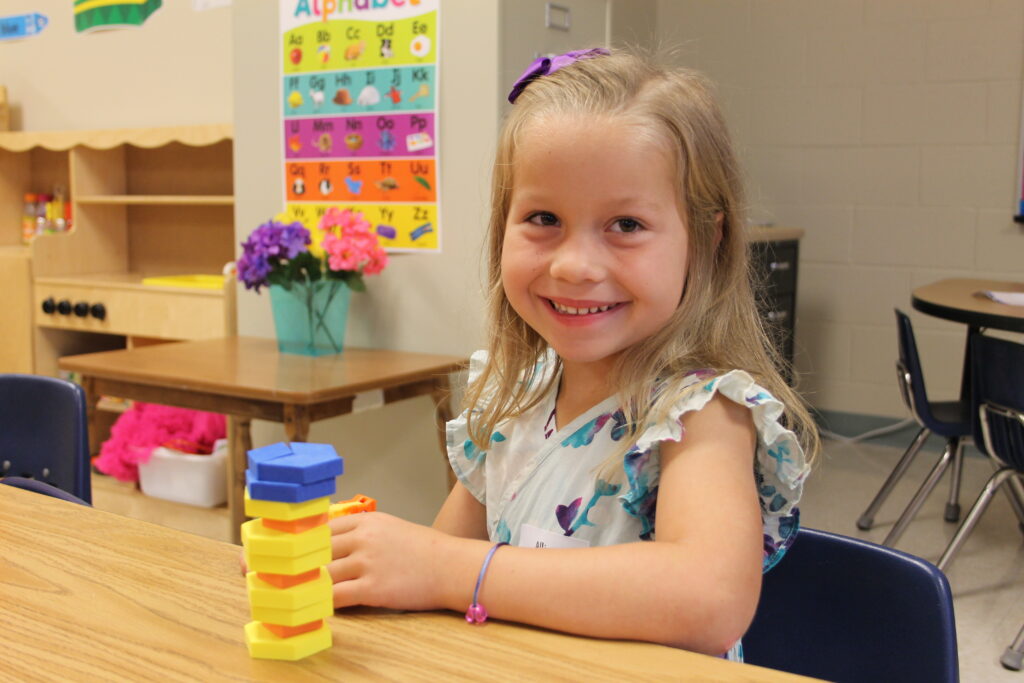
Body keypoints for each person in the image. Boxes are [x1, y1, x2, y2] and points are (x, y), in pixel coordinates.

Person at [327, 47, 818, 661]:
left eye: (627, 225)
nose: (575, 266)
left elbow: (710, 600)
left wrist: (447, 569)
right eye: (543, 218)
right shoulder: (516, 394)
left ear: (706, 240)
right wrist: (362, 565)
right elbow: (436, 572)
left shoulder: (700, 413)